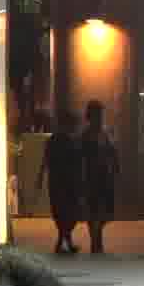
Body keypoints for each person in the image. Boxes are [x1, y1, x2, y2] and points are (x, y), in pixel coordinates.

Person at [51, 101, 115, 256]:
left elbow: (112, 153)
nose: (100, 118)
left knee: (105, 212)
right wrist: (81, 179)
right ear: (91, 117)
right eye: (97, 115)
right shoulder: (85, 136)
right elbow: (80, 159)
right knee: (92, 211)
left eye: (101, 115)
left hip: (104, 178)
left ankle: (94, 240)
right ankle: (95, 242)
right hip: (91, 178)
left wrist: (114, 169)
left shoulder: (104, 134)